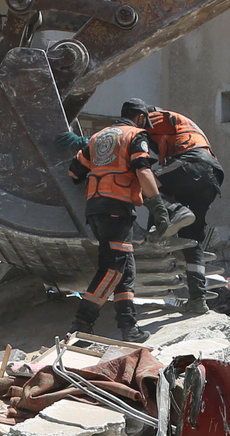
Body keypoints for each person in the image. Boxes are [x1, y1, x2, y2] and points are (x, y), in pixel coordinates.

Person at [67, 118, 166, 340]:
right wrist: (159, 208)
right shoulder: (134, 135)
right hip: (116, 208)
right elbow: (143, 170)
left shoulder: (97, 138)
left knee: (126, 269)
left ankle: (129, 327)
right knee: (113, 269)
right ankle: (81, 324)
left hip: (96, 209)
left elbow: (74, 174)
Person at [121, 100, 224, 314]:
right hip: (209, 178)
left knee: (144, 179)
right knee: (191, 239)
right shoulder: (175, 129)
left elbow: (127, 136)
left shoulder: (154, 118)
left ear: (140, 116)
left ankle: (176, 211)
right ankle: (198, 299)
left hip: (193, 165)